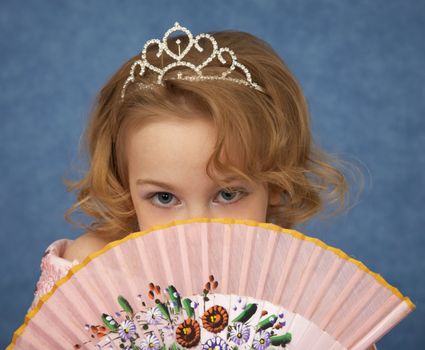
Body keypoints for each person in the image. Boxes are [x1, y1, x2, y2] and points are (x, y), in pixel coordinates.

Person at [27, 22, 374, 349]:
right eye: (164, 197)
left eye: (227, 194)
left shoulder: (311, 294)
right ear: (125, 187)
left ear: (276, 184)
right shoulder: (89, 274)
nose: (195, 227)